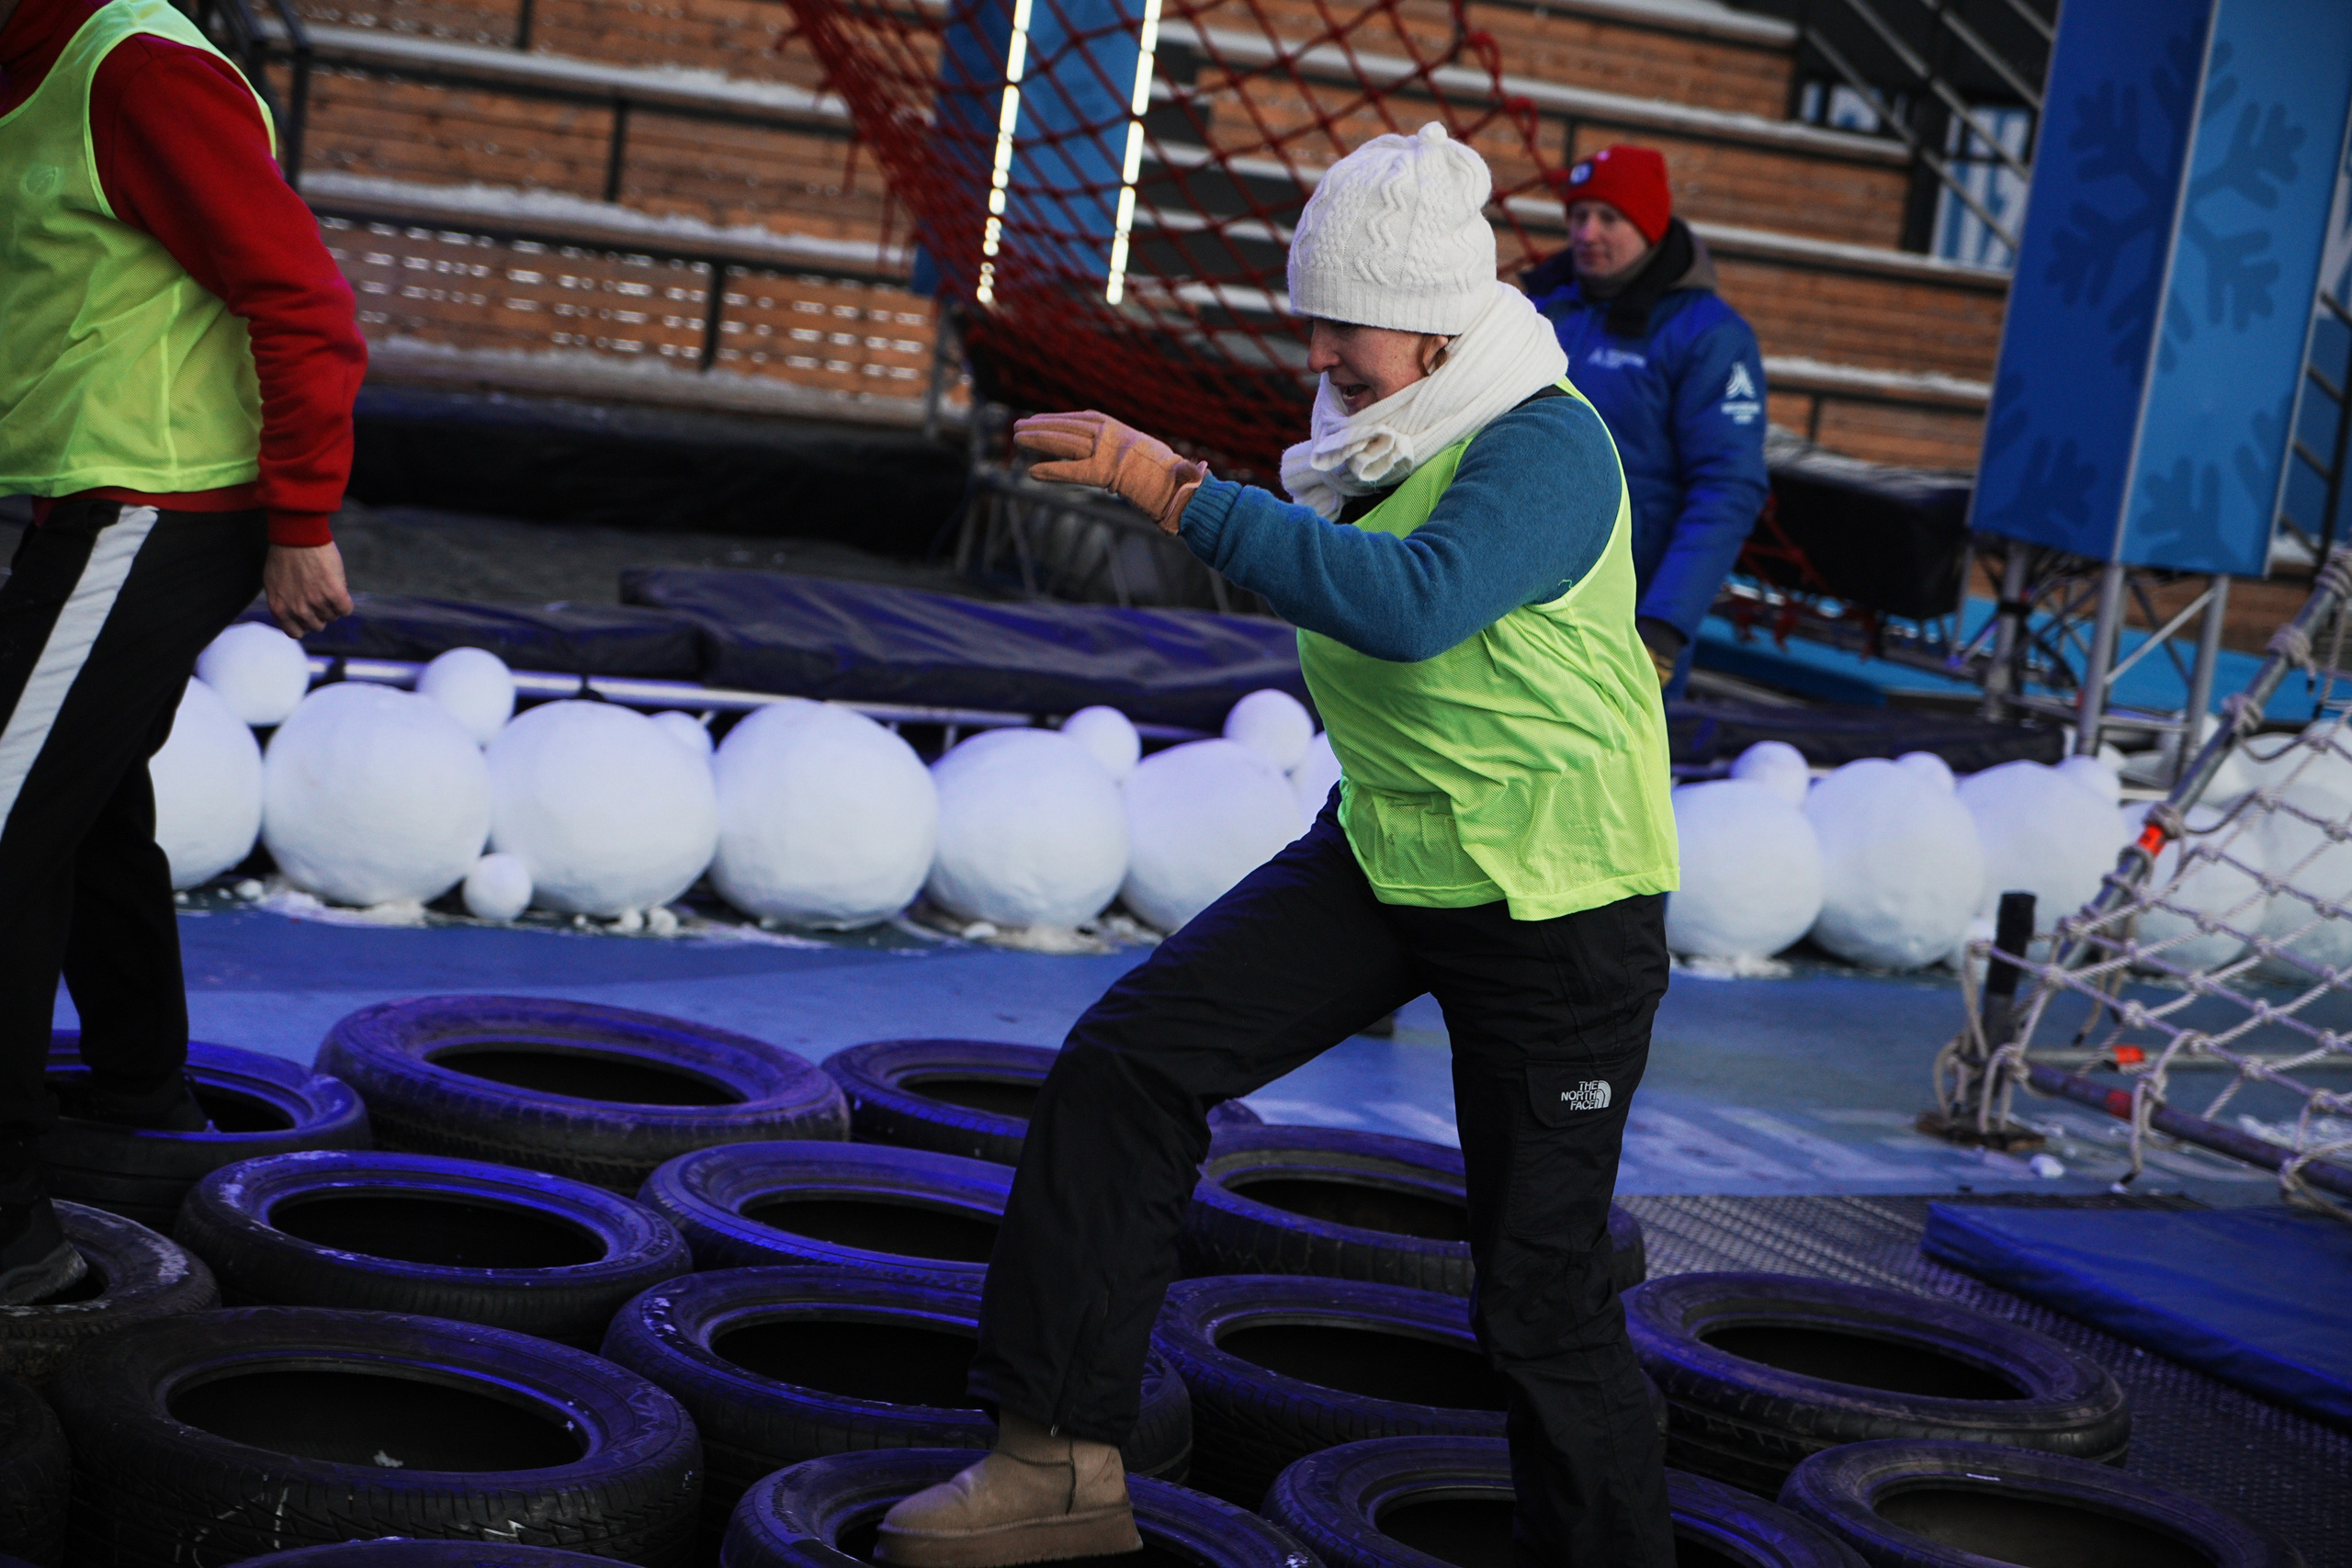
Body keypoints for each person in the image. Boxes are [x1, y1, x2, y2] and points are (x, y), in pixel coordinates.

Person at [875, 123, 1678, 1568]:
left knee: (1538, 1302)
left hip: (1561, 900)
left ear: (1435, 324)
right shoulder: (1374, 430)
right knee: (1128, 1065)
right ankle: (1054, 1459)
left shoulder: (1546, 442)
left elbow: (1412, 603)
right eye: (1309, 312)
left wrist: (1171, 486)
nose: (1317, 346)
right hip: (1391, 852)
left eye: (1342, 317)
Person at [0, 0, 363, 1300]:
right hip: (88, 503)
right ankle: (146, 1101)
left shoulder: (139, 68)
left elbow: (306, 300)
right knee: (80, 816)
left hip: (158, 508)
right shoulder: (27, 67)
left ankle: (10, 1238)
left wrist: (304, 517)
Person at [1521, 144, 1770, 693]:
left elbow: (1728, 487)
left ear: (1650, 227)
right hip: (1515, 595)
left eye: (1609, 217)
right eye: (1578, 215)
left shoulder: (1710, 337)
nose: (1586, 233)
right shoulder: (1538, 311)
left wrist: (1665, 623)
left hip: (1622, 619)